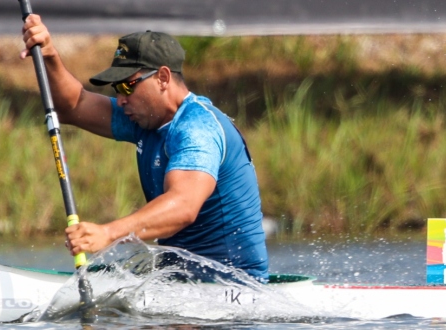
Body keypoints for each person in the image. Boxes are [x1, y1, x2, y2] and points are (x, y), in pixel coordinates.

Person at [21, 15, 269, 282]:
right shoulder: (145, 120)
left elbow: (184, 205)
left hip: (234, 287)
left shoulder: (197, 128)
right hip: (182, 283)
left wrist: (108, 233)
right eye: (117, 87)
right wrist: (49, 54)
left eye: (128, 85)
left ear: (162, 78)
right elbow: (73, 106)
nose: (121, 98)